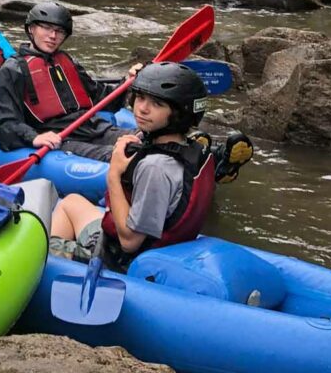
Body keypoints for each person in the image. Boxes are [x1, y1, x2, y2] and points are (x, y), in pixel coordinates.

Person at [48, 62, 215, 269]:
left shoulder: (155, 167)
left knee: (39, 248)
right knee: (70, 202)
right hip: (154, 244)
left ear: (179, 114)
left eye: (157, 104)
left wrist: (114, 175)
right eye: (141, 98)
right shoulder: (190, 149)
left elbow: (129, 242)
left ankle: (52, 267)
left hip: (121, 260)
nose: (142, 109)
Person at [0, 0, 126, 161]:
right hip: (61, 139)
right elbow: (3, 123)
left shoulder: (67, 61)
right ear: (31, 29)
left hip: (93, 128)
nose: (53, 36)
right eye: (46, 28)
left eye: (59, 31)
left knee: (146, 141)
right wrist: (33, 137)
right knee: (122, 156)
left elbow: (102, 98)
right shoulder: (14, 69)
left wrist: (131, 84)